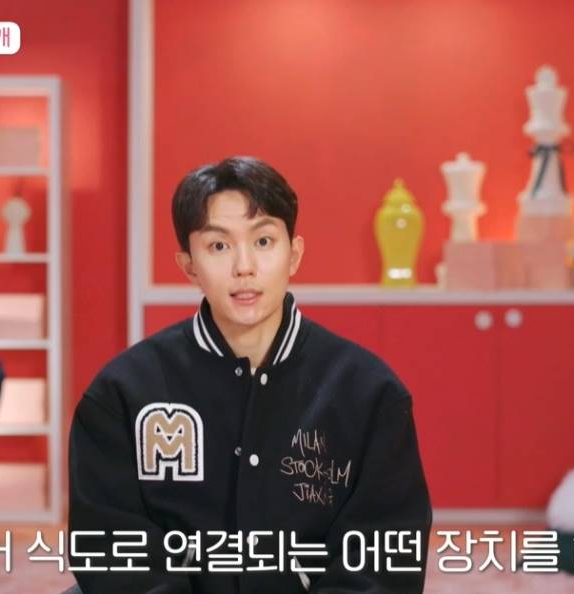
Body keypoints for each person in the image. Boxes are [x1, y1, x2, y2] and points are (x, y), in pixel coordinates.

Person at [67, 156, 432, 593]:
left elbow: (384, 558)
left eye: (263, 241)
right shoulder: (122, 393)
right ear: (188, 265)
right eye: (218, 246)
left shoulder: (369, 393)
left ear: (293, 254)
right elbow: (109, 548)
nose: (244, 266)